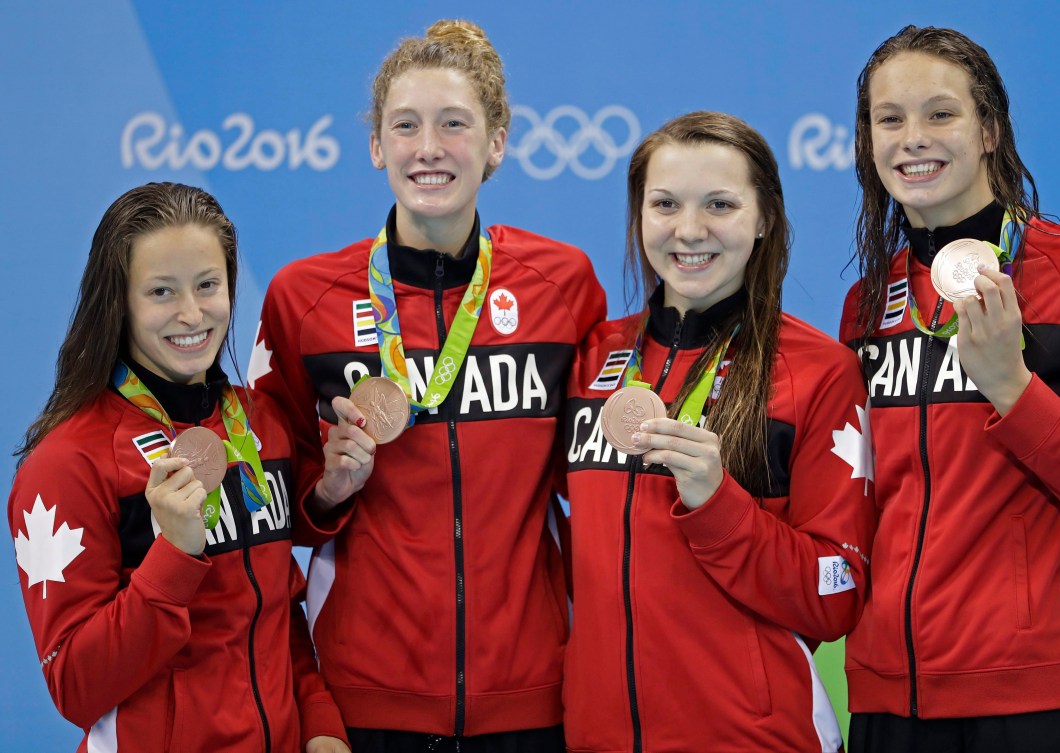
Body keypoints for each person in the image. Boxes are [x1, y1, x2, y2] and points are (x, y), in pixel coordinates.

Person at [248, 19, 606, 753]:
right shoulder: (302, 299)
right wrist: (328, 492)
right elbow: (270, 499)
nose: (429, 148)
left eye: (454, 124)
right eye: (405, 126)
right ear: (377, 145)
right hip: (365, 699)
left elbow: (594, 481)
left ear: (496, 142)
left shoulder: (561, 284)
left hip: (530, 699)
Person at [840, 25, 1060, 753]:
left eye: (940, 113)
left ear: (990, 129)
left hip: (1043, 705)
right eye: (889, 118)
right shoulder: (866, 305)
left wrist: (1013, 390)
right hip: (885, 705)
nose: (912, 138)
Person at [561, 111, 876, 753]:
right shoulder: (592, 358)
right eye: (665, 204)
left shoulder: (818, 374)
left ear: (764, 220)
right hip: (598, 738)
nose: (690, 230)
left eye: (721, 205)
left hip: (755, 739)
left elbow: (836, 592)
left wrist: (721, 508)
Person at [8, 182, 348, 753]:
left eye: (207, 285)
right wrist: (175, 556)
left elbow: (275, 616)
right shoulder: (66, 464)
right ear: (119, 301)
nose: (191, 314)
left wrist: (317, 722)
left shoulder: (262, 425)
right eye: (161, 291)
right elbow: (75, 687)